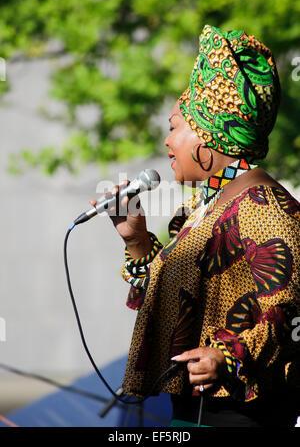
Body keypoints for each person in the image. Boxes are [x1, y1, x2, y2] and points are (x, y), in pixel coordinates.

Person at [91, 25, 300, 427]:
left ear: (208, 134)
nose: (167, 141)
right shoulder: (206, 207)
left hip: (241, 415)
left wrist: (227, 357)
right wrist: (136, 240)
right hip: (193, 411)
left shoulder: (265, 207)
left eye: (173, 126)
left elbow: (291, 314)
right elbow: (175, 300)